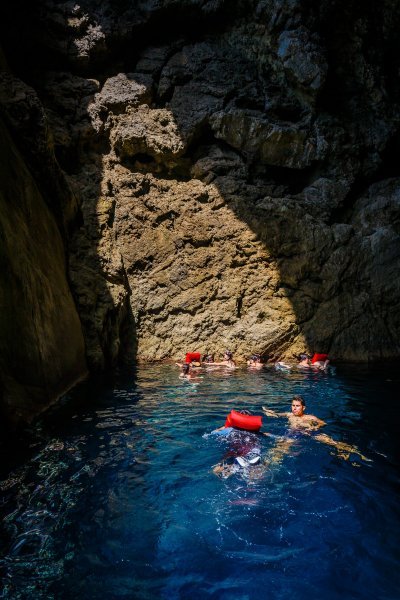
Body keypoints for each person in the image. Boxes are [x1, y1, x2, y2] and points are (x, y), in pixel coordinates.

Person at [262, 396, 371, 462]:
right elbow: (276, 414)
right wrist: (267, 410)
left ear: (303, 408)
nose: (294, 408)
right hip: (293, 434)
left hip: (309, 432)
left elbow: (323, 423)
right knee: (280, 450)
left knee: (332, 442)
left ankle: (358, 453)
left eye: (297, 406)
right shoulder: (289, 415)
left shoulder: (309, 417)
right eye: (293, 405)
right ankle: (269, 463)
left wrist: (314, 427)